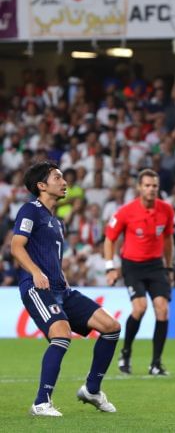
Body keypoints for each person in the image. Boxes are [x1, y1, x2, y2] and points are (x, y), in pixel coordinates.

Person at [12, 161, 120, 416]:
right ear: (41, 185)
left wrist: (60, 276)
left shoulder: (55, 220)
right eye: (57, 178)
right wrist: (36, 272)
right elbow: (17, 246)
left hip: (61, 287)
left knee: (111, 327)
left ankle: (92, 389)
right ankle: (41, 402)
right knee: (61, 334)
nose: (64, 182)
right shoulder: (30, 210)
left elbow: (50, 254)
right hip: (36, 287)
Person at [104, 169, 175, 376]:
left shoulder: (166, 210)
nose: (151, 189)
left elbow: (169, 239)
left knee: (162, 309)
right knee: (140, 308)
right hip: (132, 265)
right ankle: (125, 353)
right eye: (147, 185)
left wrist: (169, 266)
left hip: (155, 265)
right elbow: (109, 239)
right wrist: (110, 267)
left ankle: (156, 363)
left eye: (154, 186)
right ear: (139, 187)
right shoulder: (126, 211)